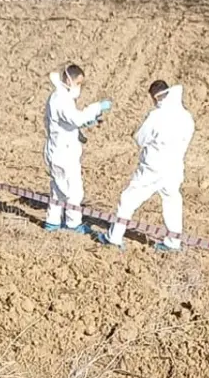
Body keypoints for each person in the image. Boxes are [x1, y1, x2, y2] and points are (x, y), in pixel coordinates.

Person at [96, 80, 195, 252]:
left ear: (155, 97)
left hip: (153, 168)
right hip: (175, 167)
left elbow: (140, 139)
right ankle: (173, 242)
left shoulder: (156, 116)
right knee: (172, 202)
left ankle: (114, 238)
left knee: (127, 200)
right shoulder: (186, 116)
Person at [43, 63, 112, 233]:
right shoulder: (60, 99)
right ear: (69, 79)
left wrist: (87, 123)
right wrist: (96, 108)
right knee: (73, 191)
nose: (79, 87)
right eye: (78, 83)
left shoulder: (62, 97)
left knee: (58, 189)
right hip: (63, 153)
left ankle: (52, 222)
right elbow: (76, 119)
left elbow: (69, 122)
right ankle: (73, 224)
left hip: (60, 150)